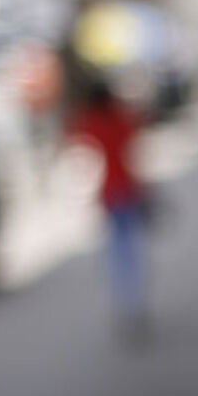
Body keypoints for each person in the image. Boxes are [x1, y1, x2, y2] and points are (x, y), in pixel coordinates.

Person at [69, 79, 152, 340]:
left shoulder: (92, 122)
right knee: (132, 252)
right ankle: (135, 303)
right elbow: (139, 127)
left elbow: (73, 139)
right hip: (128, 190)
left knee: (116, 254)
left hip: (109, 194)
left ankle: (124, 304)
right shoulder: (121, 118)